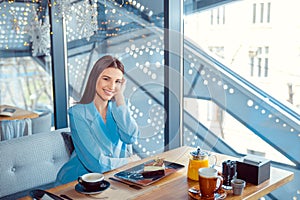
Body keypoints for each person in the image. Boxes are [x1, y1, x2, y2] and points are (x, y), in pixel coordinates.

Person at [56, 55, 140, 184]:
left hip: (114, 178)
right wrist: (129, 161)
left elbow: (130, 137)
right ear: (94, 79)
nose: (112, 86)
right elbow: (97, 164)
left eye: (117, 81)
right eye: (106, 79)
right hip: (78, 182)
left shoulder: (119, 108)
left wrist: (120, 98)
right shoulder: (77, 113)